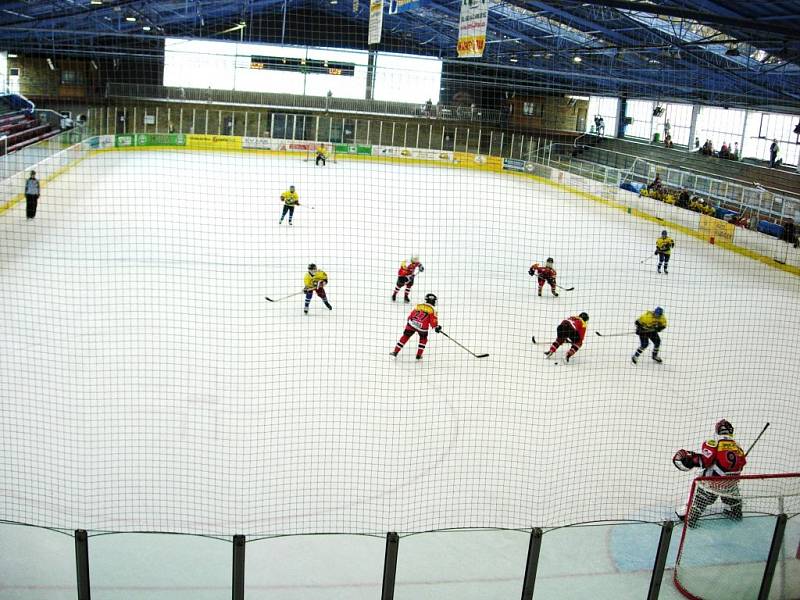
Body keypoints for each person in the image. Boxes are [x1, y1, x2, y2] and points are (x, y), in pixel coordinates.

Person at [673, 419, 747, 528]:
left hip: (713, 483)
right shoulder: (737, 445)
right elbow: (742, 463)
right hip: (730, 485)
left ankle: (689, 516)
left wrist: (691, 458)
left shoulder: (713, 442)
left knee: (701, 492)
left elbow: (705, 461)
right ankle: (736, 511)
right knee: (731, 492)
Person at [391, 293, 441, 360]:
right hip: (422, 327)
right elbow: (433, 322)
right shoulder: (433, 310)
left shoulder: (419, 306)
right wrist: (436, 327)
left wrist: (410, 322)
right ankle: (418, 355)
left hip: (411, 323)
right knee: (423, 339)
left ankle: (395, 351)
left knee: (405, 336)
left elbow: (410, 316)